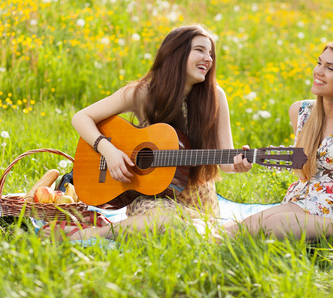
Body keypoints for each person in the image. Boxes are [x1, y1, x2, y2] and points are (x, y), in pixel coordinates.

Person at [42, 24, 252, 240]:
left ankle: (101, 233)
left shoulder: (216, 96)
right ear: (176, 53)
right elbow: (81, 118)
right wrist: (109, 151)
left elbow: (227, 162)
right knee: (164, 219)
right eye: (200, 50)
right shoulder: (144, 93)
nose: (208, 58)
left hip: (198, 201)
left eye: (211, 53)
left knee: (190, 233)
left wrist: (240, 164)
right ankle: (89, 236)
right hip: (151, 198)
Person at [224, 39, 333, 244]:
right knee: (233, 229)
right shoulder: (300, 112)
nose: (318, 71)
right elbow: (299, 162)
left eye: (330, 68)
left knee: (267, 226)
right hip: (300, 200)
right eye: (319, 63)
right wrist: (252, 160)